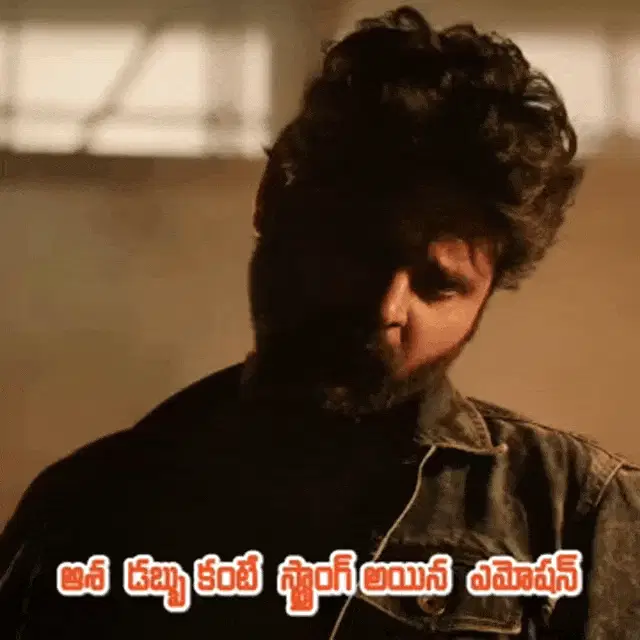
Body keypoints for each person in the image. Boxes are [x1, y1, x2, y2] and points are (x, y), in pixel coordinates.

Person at [1, 5, 638, 639]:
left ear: (488, 294)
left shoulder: (573, 514)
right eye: (359, 251)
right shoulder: (86, 509)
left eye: (439, 285)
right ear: (272, 198)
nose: (386, 308)